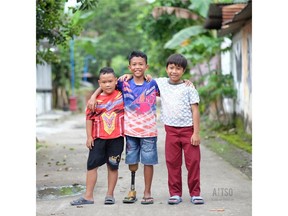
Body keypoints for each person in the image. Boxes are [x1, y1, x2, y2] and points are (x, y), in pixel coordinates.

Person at [120, 53, 204, 205]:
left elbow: (195, 110)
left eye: (178, 69)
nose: (174, 71)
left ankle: (195, 193)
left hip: (188, 131)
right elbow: (142, 76)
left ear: (183, 71)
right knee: (172, 163)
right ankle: (175, 193)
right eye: (171, 68)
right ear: (166, 69)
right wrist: (128, 74)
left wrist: (196, 133)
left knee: (193, 163)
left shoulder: (189, 88)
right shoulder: (160, 83)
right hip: (171, 131)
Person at [87, 50, 160, 205]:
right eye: (134, 64)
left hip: (149, 131)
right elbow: (107, 83)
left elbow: (171, 88)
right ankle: (132, 189)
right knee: (132, 162)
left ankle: (147, 192)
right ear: (129, 67)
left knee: (148, 162)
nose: (137, 67)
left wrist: (186, 82)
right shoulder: (123, 83)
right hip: (130, 132)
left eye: (141, 64)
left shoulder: (153, 83)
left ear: (146, 66)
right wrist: (94, 95)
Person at [70, 67, 124, 206]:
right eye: (104, 82)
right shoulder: (94, 101)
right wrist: (89, 137)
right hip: (98, 138)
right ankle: (88, 196)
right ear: (99, 83)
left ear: (115, 81)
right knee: (91, 166)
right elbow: (89, 118)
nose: (107, 84)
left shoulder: (122, 95)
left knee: (113, 166)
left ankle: (110, 195)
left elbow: (131, 77)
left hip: (117, 138)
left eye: (110, 81)